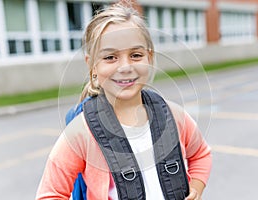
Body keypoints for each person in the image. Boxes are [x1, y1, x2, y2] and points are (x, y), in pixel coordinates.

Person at [36, 3, 212, 200]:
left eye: (136, 55)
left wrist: (196, 188)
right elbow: (50, 194)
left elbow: (201, 154)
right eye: (110, 57)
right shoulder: (81, 132)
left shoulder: (174, 115)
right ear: (92, 65)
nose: (125, 67)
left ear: (150, 57)